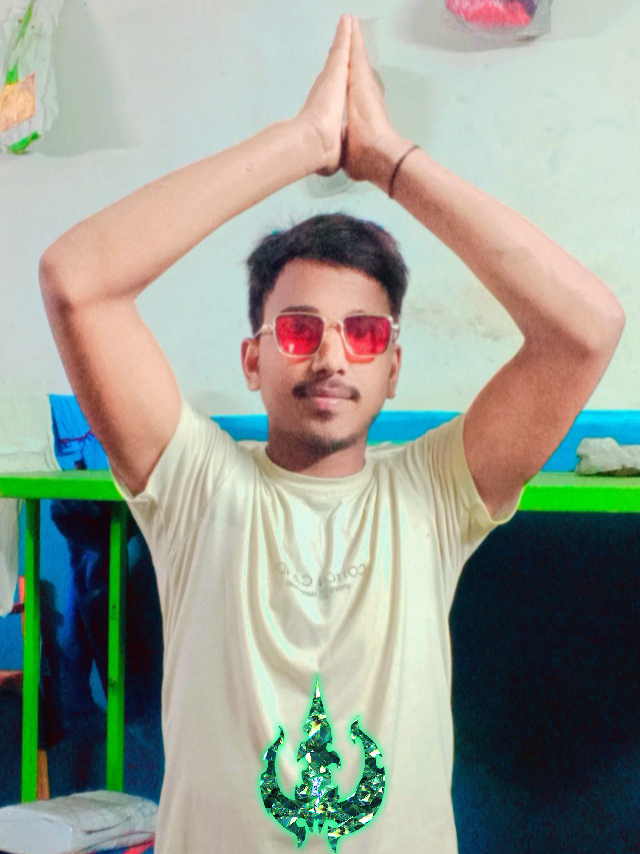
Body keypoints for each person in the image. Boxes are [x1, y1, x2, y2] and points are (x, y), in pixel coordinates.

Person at [38, 15, 624, 854]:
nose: (332, 357)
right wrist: (304, 143)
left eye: (365, 334)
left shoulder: (431, 496)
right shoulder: (197, 487)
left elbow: (587, 328)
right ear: (253, 359)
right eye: (299, 329)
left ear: (394, 368)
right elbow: (76, 279)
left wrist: (389, 160)